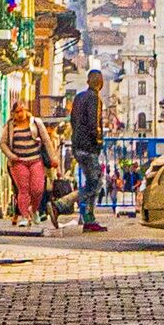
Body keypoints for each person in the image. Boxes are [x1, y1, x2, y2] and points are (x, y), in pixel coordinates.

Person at [3, 95, 54, 232]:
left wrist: (53, 158)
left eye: (22, 110)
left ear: (26, 110)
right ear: (13, 113)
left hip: (36, 160)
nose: (20, 114)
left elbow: (46, 140)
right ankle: (25, 216)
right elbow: (3, 143)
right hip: (18, 162)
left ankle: (35, 210)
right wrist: (11, 155)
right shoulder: (10, 126)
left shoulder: (36, 122)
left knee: (37, 189)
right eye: (17, 112)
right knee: (23, 189)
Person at [69, 75, 109, 233]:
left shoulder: (79, 97)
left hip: (77, 144)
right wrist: (98, 142)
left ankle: (88, 218)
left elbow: (73, 120)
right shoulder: (94, 98)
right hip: (89, 147)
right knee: (96, 183)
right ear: (101, 83)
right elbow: (94, 123)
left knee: (92, 182)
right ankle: (63, 205)